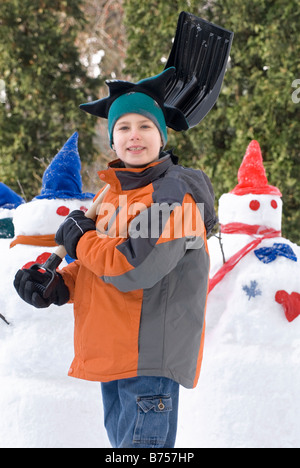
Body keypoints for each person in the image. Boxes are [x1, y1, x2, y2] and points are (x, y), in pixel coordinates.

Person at [14, 68, 217, 448]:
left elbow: (130, 266)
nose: (134, 134)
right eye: (122, 127)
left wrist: (80, 239)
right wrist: (58, 285)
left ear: (162, 136)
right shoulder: (111, 196)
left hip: (147, 360)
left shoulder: (172, 196)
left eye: (145, 125)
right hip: (116, 354)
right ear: (112, 140)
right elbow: (97, 265)